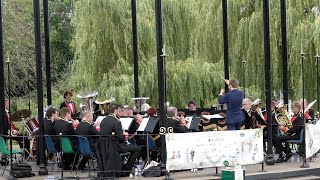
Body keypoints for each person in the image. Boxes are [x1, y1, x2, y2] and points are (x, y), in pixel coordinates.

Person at [99, 104, 140, 176]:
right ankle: (126, 170)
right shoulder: (116, 121)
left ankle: (121, 167)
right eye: (118, 110)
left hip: (104, 146)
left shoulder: (103, 120)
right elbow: (120, 138)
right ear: (115, 111)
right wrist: (125, 136)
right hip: (114, 146)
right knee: (137, 149)